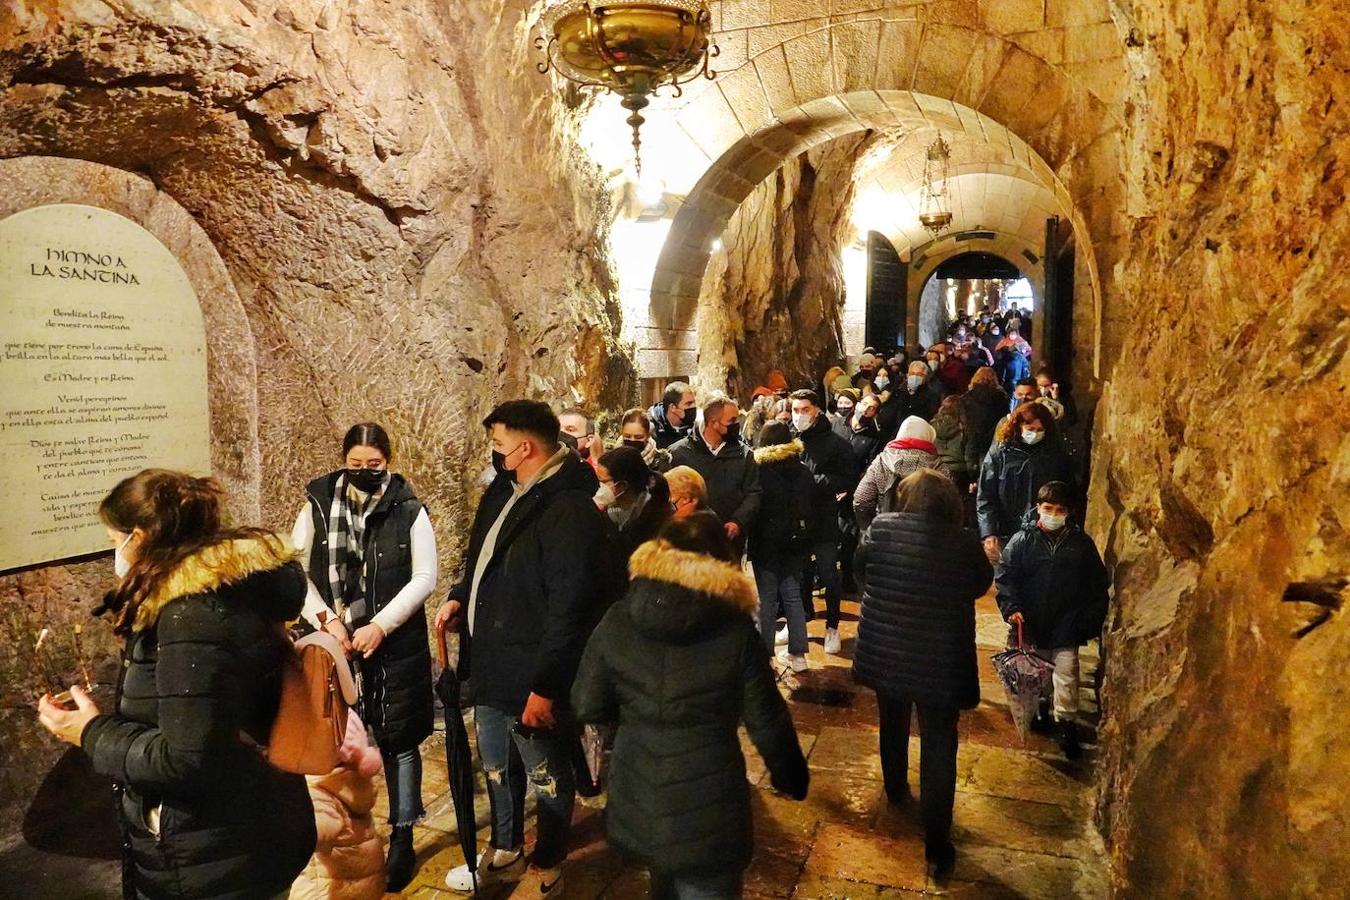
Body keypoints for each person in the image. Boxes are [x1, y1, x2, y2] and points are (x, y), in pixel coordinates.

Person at [38, 469, 316, 899]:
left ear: (140, 536)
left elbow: (186, 758)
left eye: (115, 540)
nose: (117, 553)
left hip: (214, 853)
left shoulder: (190, 614)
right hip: (256, 828)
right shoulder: (239, 587)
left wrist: (90, 732)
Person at [572, 513, 810, 900]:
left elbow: (586, 703)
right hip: (709, 806)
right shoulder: (736, 633)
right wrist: (791, 777)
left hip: (640, 791)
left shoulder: (618, 619)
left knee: (661, 882)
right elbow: (766, 720)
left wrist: (639, 712)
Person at [436, 400, 615, 897]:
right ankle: (507, 849)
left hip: (531, 670)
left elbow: (570, 606)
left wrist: (546, 686)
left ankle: (549, 860)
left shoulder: (567, 508)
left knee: (546, 773)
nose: (493, 453)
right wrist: (459, 597)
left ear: (525, 447)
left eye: (497, 444)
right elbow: (484, 558)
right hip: (493, 659)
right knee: (496, 762)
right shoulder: (506, 490)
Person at [290, 423, 437, 890]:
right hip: (334, 644)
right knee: (343, 743)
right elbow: (295, 570)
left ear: (387, 462)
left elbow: (424, 576)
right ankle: (352, 835)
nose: (365, 473)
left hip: (394, 646)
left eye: (374, 466)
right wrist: (327, 621)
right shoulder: (316, 505)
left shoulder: (409, 509)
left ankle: (403, 833)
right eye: (356, 465)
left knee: (399, 740)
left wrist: (380, 625)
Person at [854, 470, 992, 877]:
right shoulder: (963, 542)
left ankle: (895, 789)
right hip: (941, 658)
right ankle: (935, 840)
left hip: (887, 647)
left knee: (891, 722)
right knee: (938, 743)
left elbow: (862, 574)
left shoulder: (881, 528)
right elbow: (980, 584)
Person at [995, 481, 1109, 759]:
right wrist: (1012, 607)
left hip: (1066, 622)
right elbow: (1007, 577)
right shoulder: (1022, 542)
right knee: (1040, 673)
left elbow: (1096, 585)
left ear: (1068, 512)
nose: (1053, 514)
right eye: (1048, 508)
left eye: (1060, 510)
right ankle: (1042, 708)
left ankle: (1066, 722)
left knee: (1067, 674)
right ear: (1038, 508)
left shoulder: (1081, 545)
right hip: (1033, 621)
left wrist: (1087, 622)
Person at [790, 389, 858, 655]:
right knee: (801, 575)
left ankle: (832, 626)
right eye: (795, 410)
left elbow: (845, 478)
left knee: (829, 574)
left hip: (825, 520)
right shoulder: (792, 441)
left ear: (816, 410)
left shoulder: (837, 443)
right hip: (797, 521)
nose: (799, 416)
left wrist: (811, 482)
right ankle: (802, 620)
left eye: (804, 409)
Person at [749, 422, 814, 671]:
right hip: (795, 543)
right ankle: (799, 657)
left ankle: (765, 657)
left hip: (765, 542)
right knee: (793, 595)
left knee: (766, 599)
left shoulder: (758, 471)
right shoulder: (803, 470)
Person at [977, 403, 1076, 561]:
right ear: (1019, 426)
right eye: (1030, 429)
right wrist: (988, 532)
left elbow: (1067, 492)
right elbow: (986, 495)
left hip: (1044, 533)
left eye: (1040, 430)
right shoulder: (1000, 453)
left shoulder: (1055, 455)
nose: (1035, 434)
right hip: (1006, 530)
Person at [669, 397, 761, 551]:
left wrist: (737, 521)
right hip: (688, 543)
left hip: (729, 544)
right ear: (713, 423)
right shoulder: (678, 454)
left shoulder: (744, 455)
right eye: (731, 421)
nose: (736, 425)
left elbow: (754, 493)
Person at [853, 416, 953, 531]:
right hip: (926, 534)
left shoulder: (881, 461)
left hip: (886, 532)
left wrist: (869, 528)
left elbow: (861, 499)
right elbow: (949, 506)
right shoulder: (939, 467)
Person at [596, 445, 672, 565]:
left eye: (602, 481)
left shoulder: (661, 519)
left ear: (622, 485)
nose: (598, 486)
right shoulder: (605, 513)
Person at [963, 367, 1010, 474]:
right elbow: (1004, 420)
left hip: (972, 438)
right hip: (991, 439)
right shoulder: (1001, 398)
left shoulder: (967, 397)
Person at [931, 395, 971, 499]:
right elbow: (968, 453)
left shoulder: (932, 426)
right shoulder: (964, 427)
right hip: (960, 472)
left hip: (937, 469)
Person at [619, 407, 673, 473]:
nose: (632, 440)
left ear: (648, 435)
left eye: (638, 437)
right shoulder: (611, 460)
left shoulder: (661, 463)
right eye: (627, 436)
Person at [648, 381, 697, 449]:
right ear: (673, 407)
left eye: (694, 402)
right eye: (688, 404)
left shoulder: (695, 427)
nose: (693, 407)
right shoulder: (652, 430)